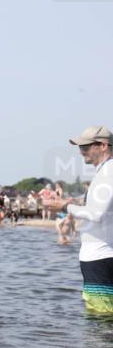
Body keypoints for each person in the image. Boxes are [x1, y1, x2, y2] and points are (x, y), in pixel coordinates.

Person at [44, 126, 113, 313]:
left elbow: (97, 214)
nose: (80, 151)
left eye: (85, 146)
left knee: (101, 320)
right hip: (103, 255)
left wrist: (64, 206)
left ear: (103, 146)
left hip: (100, 257)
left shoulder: (108, 172)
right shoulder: (105, 172)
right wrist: (67, 201)